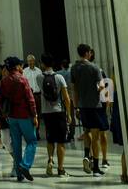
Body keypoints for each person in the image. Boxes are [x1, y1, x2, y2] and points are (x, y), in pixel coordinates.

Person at [0, 56, 37, 182]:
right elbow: (30, 99)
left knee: (16, 144)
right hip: (24, 115)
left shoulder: (3, 81)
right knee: (31, 141)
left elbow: (0, 100)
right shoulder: (23, 80)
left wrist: (5, 114)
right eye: (20, 64)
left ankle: (19, 174)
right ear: (17, 66)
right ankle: (25, 166)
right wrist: (35, 115)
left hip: (12, 117)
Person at [70, 43, 106, 178]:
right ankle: (96, 168)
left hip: (82, 105)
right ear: (87, 53)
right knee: (96, 137)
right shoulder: (94, 67)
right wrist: (96, 90)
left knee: (86, 131)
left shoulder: (74, 68)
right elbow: (102, 86)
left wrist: (76, 106)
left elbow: (73, 88)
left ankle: (86, 155)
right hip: (94, 105)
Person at [39, 54, 71, 177]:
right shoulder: (59, 77)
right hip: (58, 111)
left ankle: (50, 159)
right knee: (61, 141)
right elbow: (66, 98)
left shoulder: (39, 77)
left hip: (46, 113)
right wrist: (69, 113)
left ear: (42, 64)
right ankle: (61, 168)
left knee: (50, 139)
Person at [23, 53, 43, 138]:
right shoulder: (24, 71)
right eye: (29, 61)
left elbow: (41, 83)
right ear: (27, 62)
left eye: (32, 60)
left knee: (37, 114)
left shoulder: (39, 71)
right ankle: (31, 132)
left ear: (34, 61)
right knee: (30, 114)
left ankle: (37, 132)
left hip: (38, 95)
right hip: (29, 95)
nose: (30, 62)